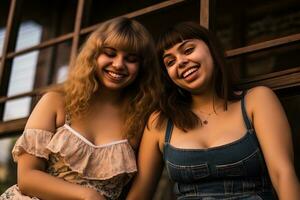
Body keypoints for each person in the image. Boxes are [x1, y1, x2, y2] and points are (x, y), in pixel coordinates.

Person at [127, 21, 300, 199]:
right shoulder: (161, 121)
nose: (181, 62)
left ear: (212, 50)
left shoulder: (256, 100)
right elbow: (139, 194)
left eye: (188, 50)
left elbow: (283, 175)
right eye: (170, 62)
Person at [1, 17, 160, 200]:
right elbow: (27, 179)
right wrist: (86, 195)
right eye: (110, 53)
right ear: (93, 55)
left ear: (143, 67)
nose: (118, 64)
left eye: (131, 59)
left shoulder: (142, 120)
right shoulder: (56, 102)